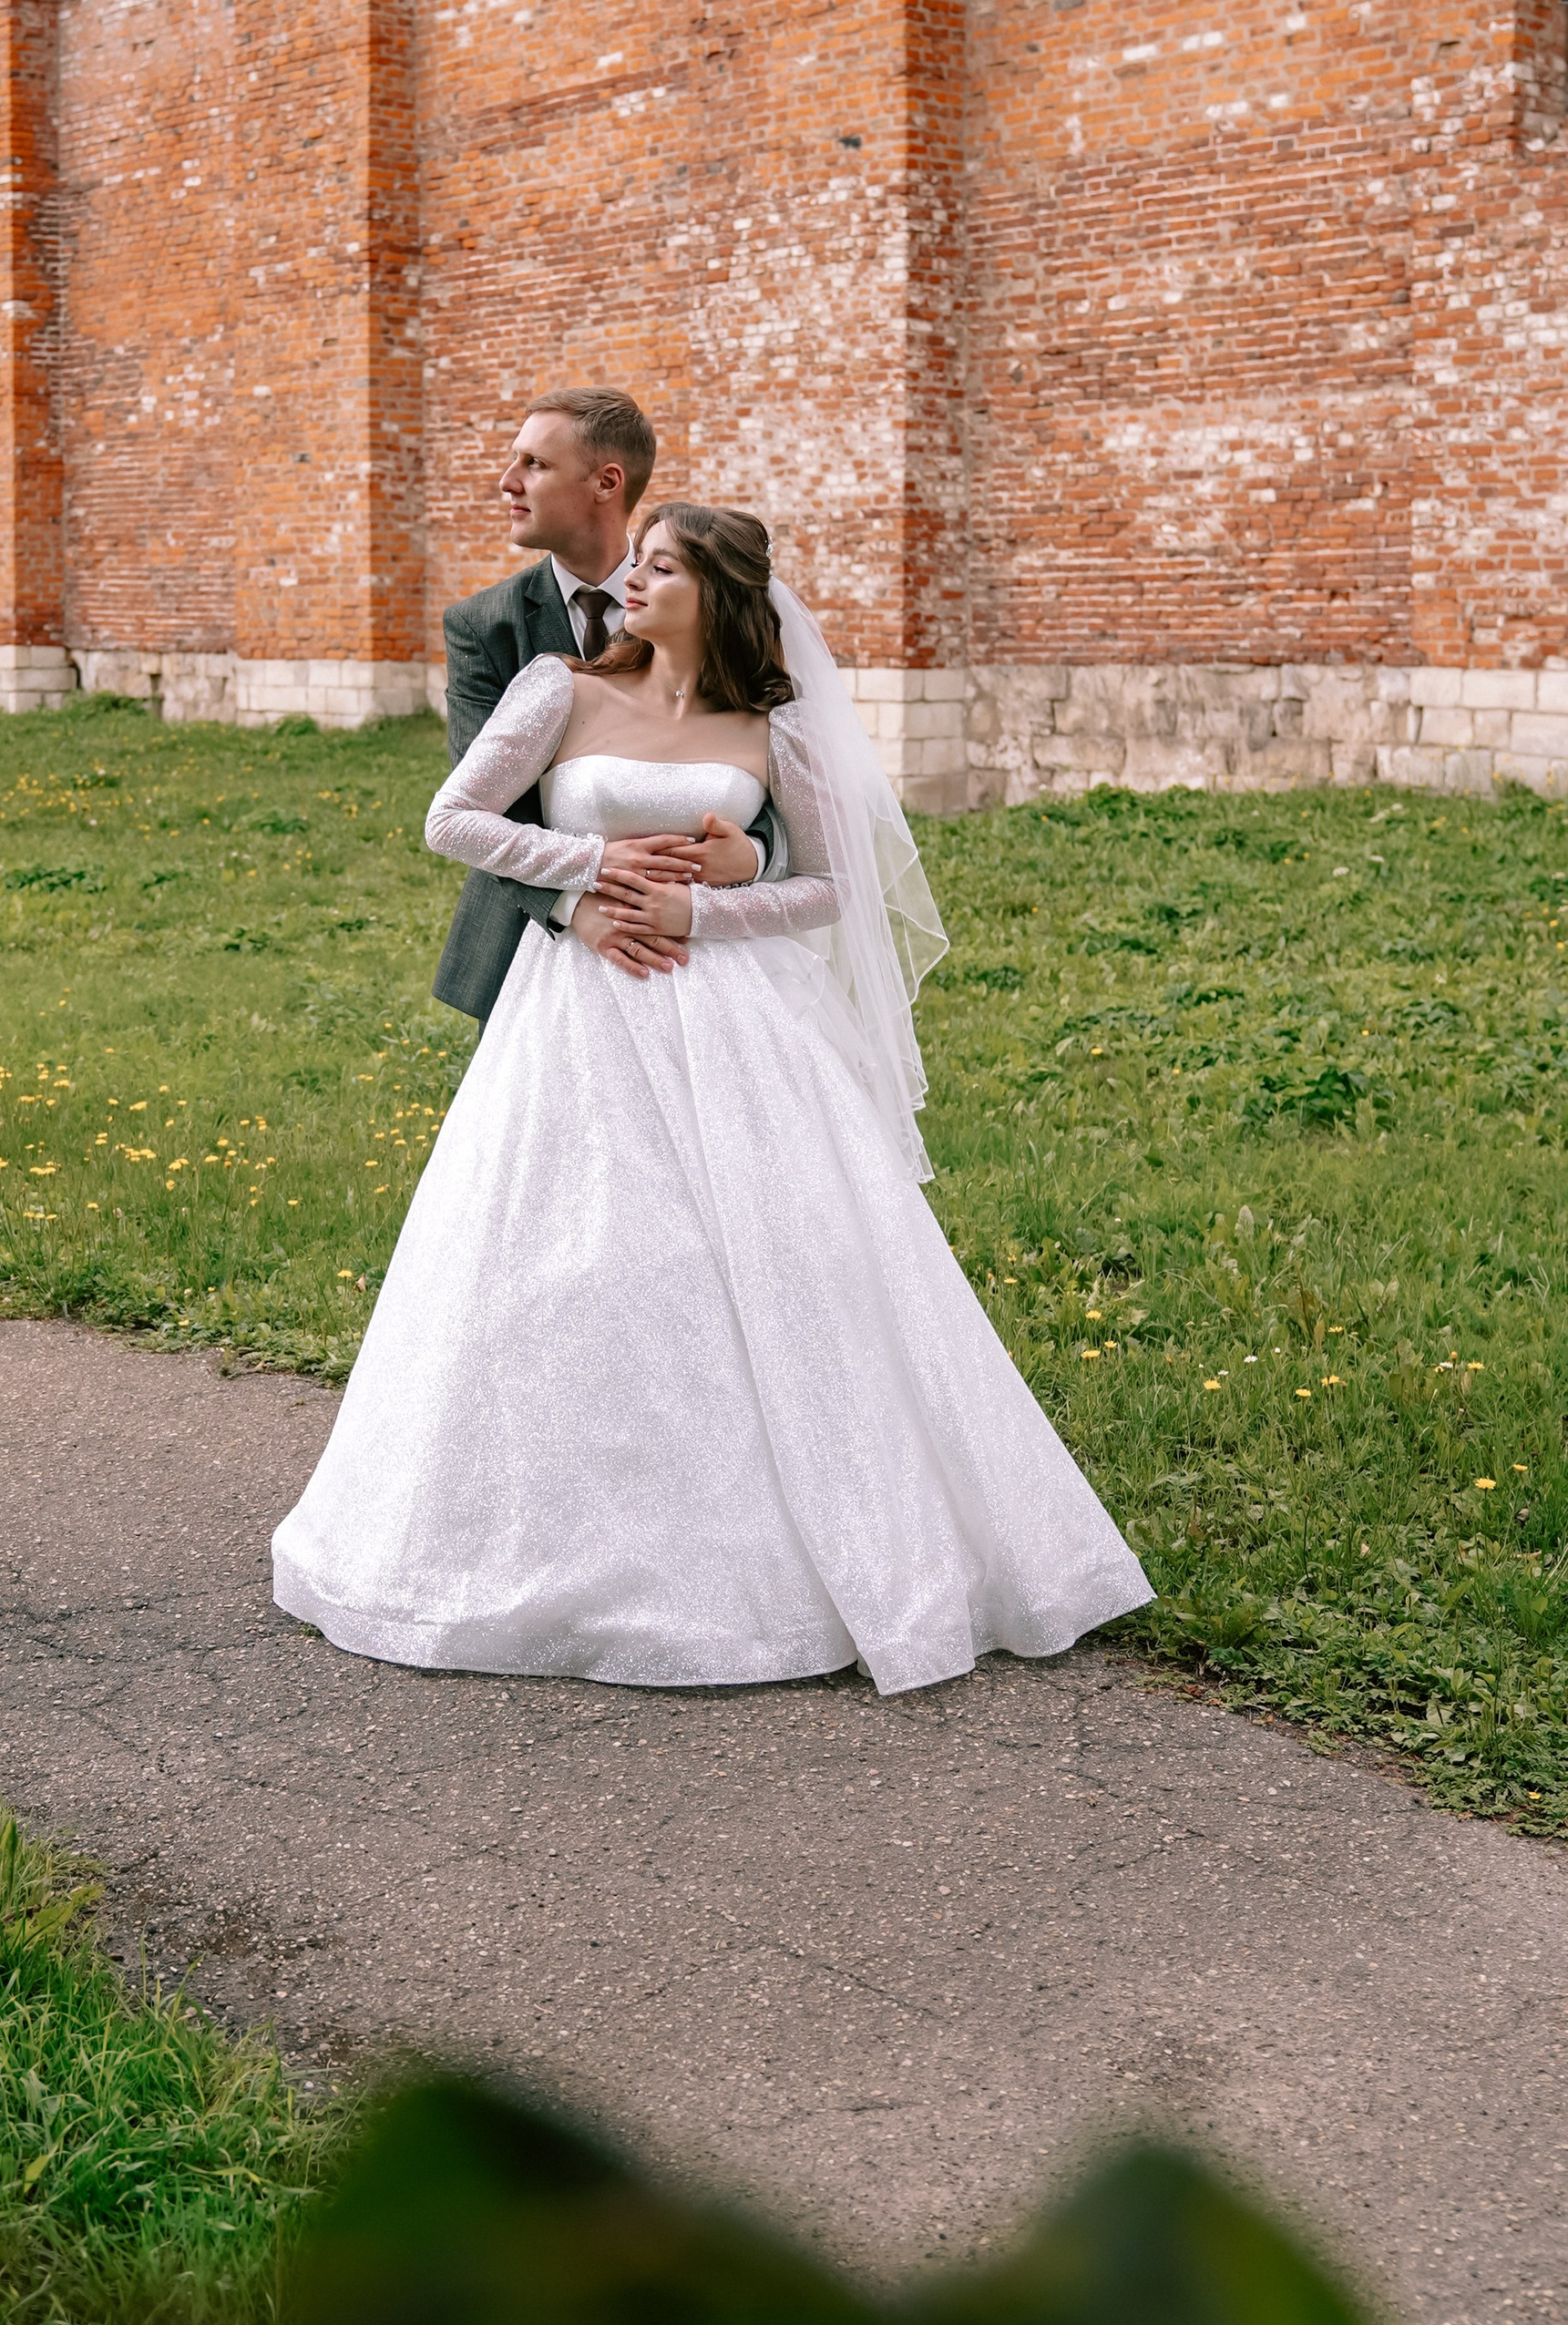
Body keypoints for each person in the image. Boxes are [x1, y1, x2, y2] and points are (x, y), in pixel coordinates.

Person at [272, 502, 1151, 1696]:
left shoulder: (770, 728)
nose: (633, 581)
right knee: (567, 1257)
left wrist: (711, 904)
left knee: (778, 1263)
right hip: (574, 1016)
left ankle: (788, 1558)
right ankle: (525, 1543)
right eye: (635, 562)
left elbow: (832, 888)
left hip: (735, 1024)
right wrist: (589, 869)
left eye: (664, 567)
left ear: (721, 593)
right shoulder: (558, 691)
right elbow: (455, 819)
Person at [434, 387, 777, 1024]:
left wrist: (755, 854)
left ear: (606, 482)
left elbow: (771, 758)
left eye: (534, 464)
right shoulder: (486, 626)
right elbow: (487, 804)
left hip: (708, 950)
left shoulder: (713, 603)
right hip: (537, 942)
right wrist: (574, 903)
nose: (508, 482)